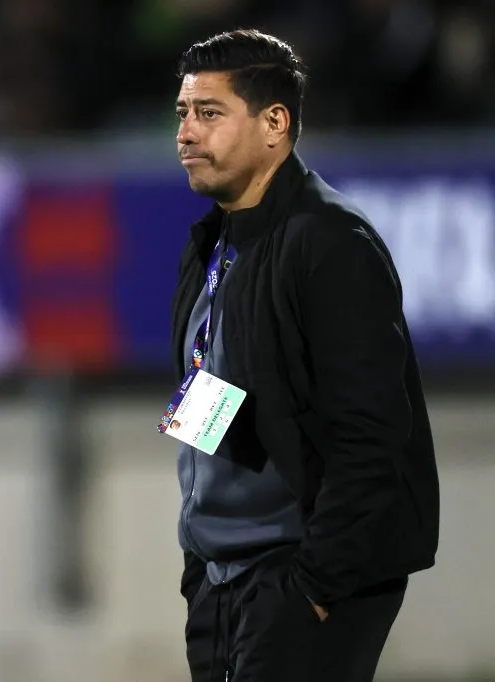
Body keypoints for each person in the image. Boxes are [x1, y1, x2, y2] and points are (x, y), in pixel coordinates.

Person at [165, 29, 440, 682]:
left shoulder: (332, 244)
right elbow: (208, 395)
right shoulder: (212, 239)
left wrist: (315, 585)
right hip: (221, 582)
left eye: (209, 113)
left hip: (296, 579)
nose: (186, 134)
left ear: (274, 124)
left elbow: (371, 435)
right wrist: (199, 563)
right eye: (182, 114)